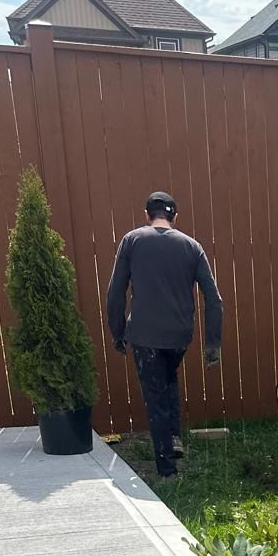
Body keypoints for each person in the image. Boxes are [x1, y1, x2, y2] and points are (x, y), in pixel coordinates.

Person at [106, 190, 223, 480]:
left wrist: (117, 332)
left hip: (145, 336)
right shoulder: (192, 246)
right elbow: (214, 299)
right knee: (168, 380)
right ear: (175, 217)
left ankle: (167, 471)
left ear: (147, 215)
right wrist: (212, 345)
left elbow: (115, 293)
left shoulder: (132, 241)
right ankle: (173, 437)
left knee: (155, 397)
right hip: (179, 336)